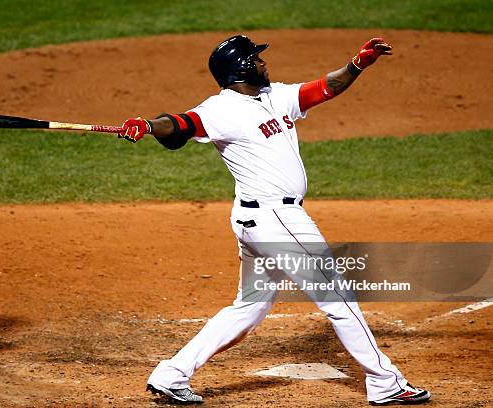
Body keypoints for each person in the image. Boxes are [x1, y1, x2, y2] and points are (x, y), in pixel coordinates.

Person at [117, 35, 431, 405]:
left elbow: (326, 88)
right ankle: (386, 383)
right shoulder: (220, 110)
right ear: (241, 67)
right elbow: (180, 125)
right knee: (339, 299)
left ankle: (171, 374)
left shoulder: (275, 96)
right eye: (256, 58)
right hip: (276, 219)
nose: (264, 63)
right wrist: (148, 126)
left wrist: (357, 64)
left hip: (260, 219)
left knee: (250, 306)